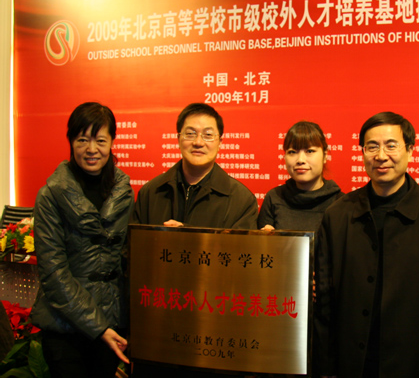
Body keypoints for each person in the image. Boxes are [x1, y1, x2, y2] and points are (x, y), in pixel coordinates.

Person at [313, 111, 419, 377]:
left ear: (410, 150)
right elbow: (324, 303)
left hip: (416, 365)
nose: (381, 156)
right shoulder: (337, 216)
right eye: (372, 147)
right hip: (351, 364)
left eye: (391, 145)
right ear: (362, 153)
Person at [31, 102, 133, 377]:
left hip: (112, 325)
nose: (91, 149)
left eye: (100, 140)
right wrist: (98, 327)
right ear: (71, 141)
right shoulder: (50, 196)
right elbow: (54, 274)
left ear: (112, 142)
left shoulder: (124, 192)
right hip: (65, 329)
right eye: (82, 140)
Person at [132, 103, 258, 229]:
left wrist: (188, 235)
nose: (198, 142)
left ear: (220, 142)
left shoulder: (242, 200)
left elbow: (239, 242)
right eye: (190, 134)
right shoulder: (150, 193)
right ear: (178, 139)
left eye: (208, 135)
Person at [258, 121, 343, 232]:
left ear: (325, 156)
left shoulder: (340, 202)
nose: (300, 160)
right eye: (292, 152)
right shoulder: (274, 197)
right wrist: (267, 239)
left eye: (310, 151)